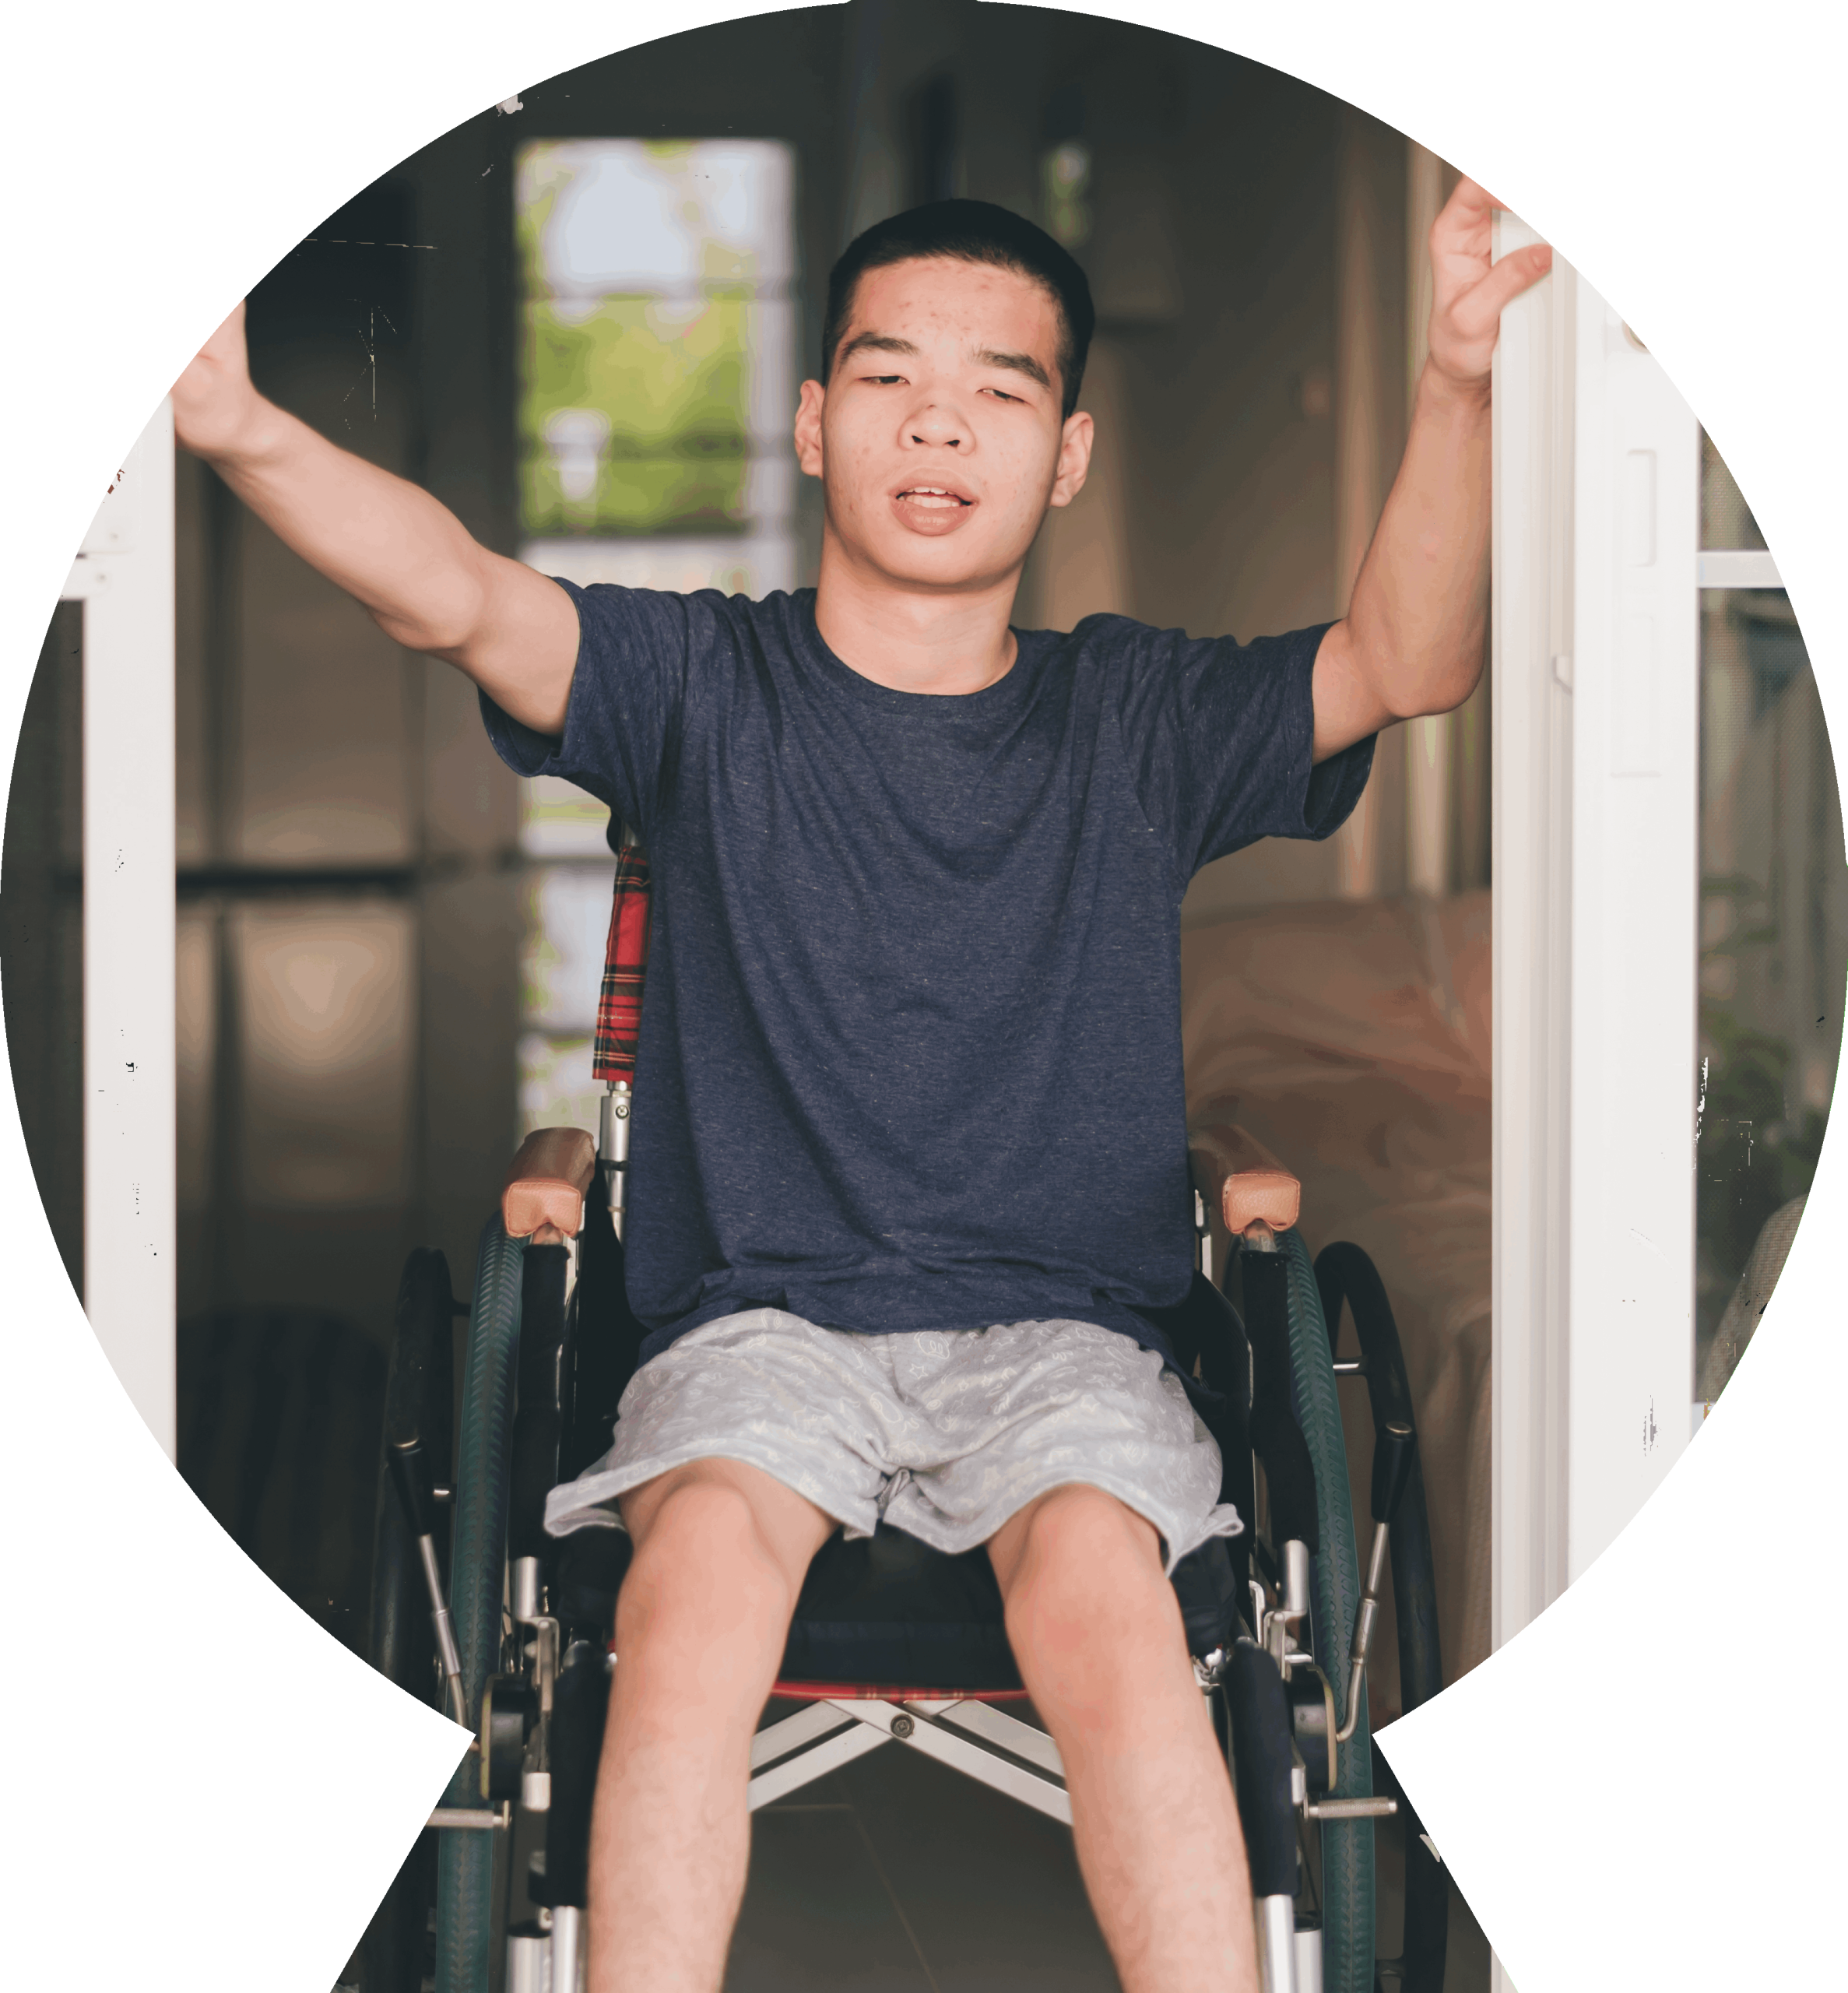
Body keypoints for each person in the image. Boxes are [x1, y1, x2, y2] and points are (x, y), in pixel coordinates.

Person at [173, 181, 1549, 1993]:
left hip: (1068, 1337)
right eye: (888, 373)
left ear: (1063, 455)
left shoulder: (1132, 718)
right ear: (815, 419)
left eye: (996, 389)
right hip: (757, 1328)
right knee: (689, 1596)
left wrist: (1454, 365)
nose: (935, 421)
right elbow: (456, 595)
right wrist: (238, 426)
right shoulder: (696, 683)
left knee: (1104, 1602)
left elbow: (1406, 662)